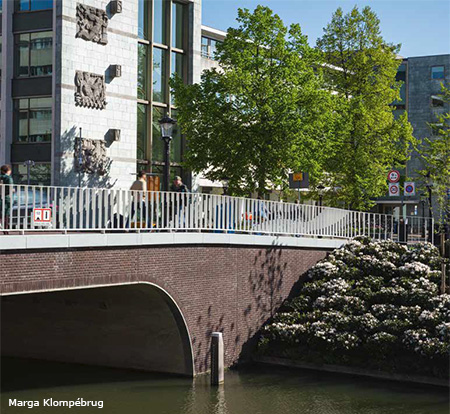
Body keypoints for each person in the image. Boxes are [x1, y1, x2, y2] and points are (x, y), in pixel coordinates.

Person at [0, 165, 13, 232]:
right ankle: (5, 229)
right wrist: (12, 190)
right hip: (6, 196)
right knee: (6, 212)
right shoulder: (8, 178)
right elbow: (10, 187)